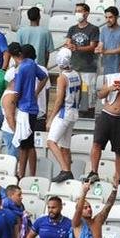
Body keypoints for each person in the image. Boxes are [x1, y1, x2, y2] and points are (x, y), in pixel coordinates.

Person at [46, 49, 82, 182]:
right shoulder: (77, 74)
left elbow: (59, 100)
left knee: (51, 141)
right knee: (65, 146)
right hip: (74, 112)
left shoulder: (62, 78)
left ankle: (65, 170)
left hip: (64, 113)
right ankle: (69, 174)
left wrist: (50, 119)